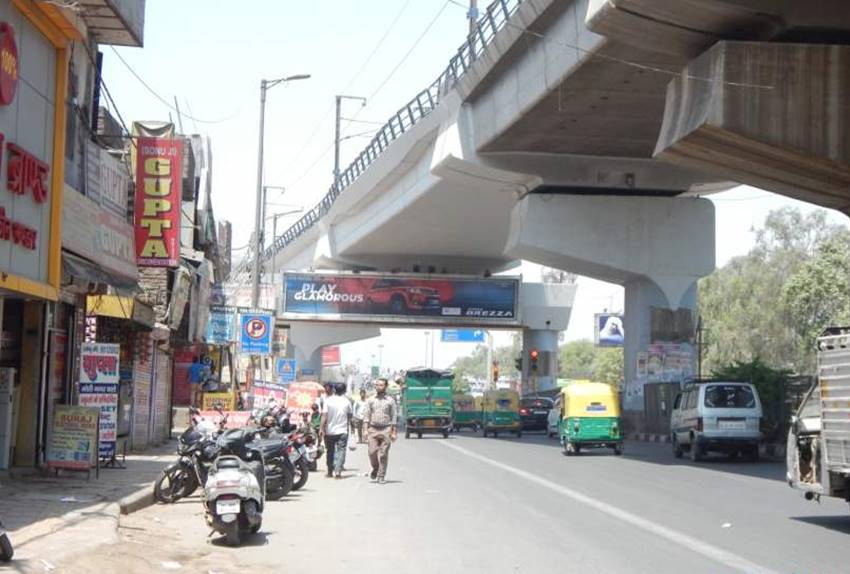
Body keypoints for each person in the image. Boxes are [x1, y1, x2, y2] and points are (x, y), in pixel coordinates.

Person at [364, 378, 398, 484]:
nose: (378, 387)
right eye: (377, 385)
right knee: (372, 452)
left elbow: (394, 416)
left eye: (381, 385)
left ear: (385, 386)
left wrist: (393, 432)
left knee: (383, 454)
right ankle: (376, 468)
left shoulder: (390, 400)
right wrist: (365, 430)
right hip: (373, 429)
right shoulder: (370, 400)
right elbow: (366, 415)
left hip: (386, 429)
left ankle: (381, 475)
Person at [322, 383, 352, 479]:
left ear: (334, 390)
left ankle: (330, 471)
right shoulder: (347, 402)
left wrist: (321, 428)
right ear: (344, 391)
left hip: (329, 431)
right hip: (342, 431)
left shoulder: (328, 401)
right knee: (341, 451)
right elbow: (350, 416)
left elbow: (324, 415)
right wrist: (352, 428)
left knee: (330, 451)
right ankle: (338, 471)